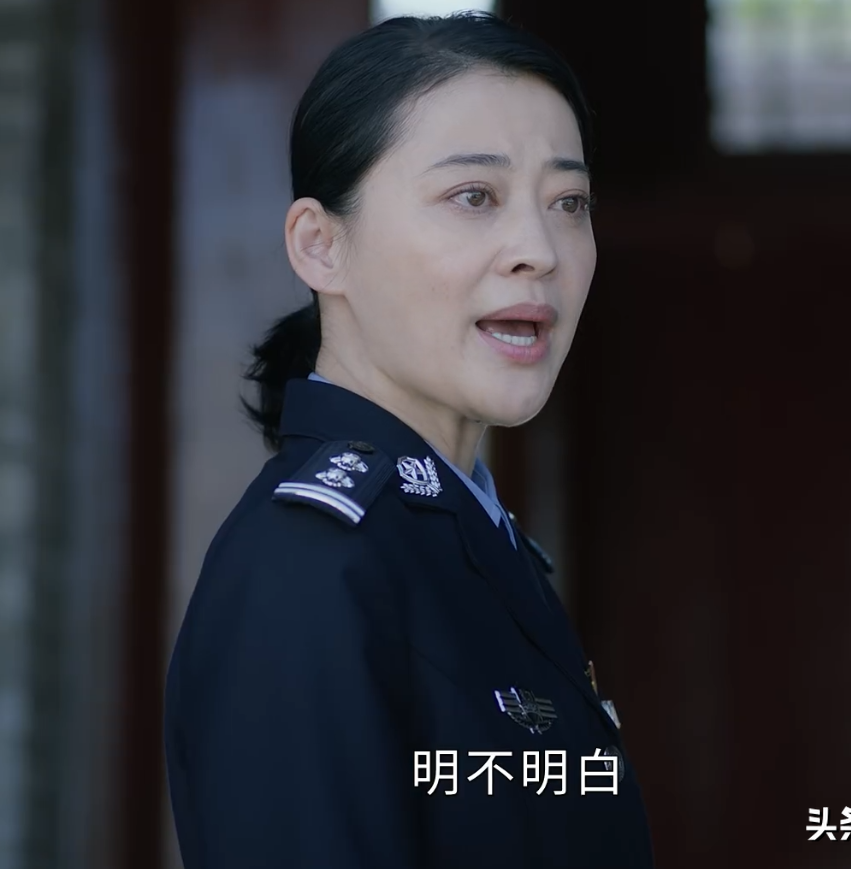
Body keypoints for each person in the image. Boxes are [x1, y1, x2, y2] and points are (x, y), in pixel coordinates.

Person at [164, 12, 653, 868]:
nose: (538, 250)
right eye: (474, 197)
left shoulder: (464, 540)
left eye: (567, 203)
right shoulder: (306, 572)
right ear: (321, 246)